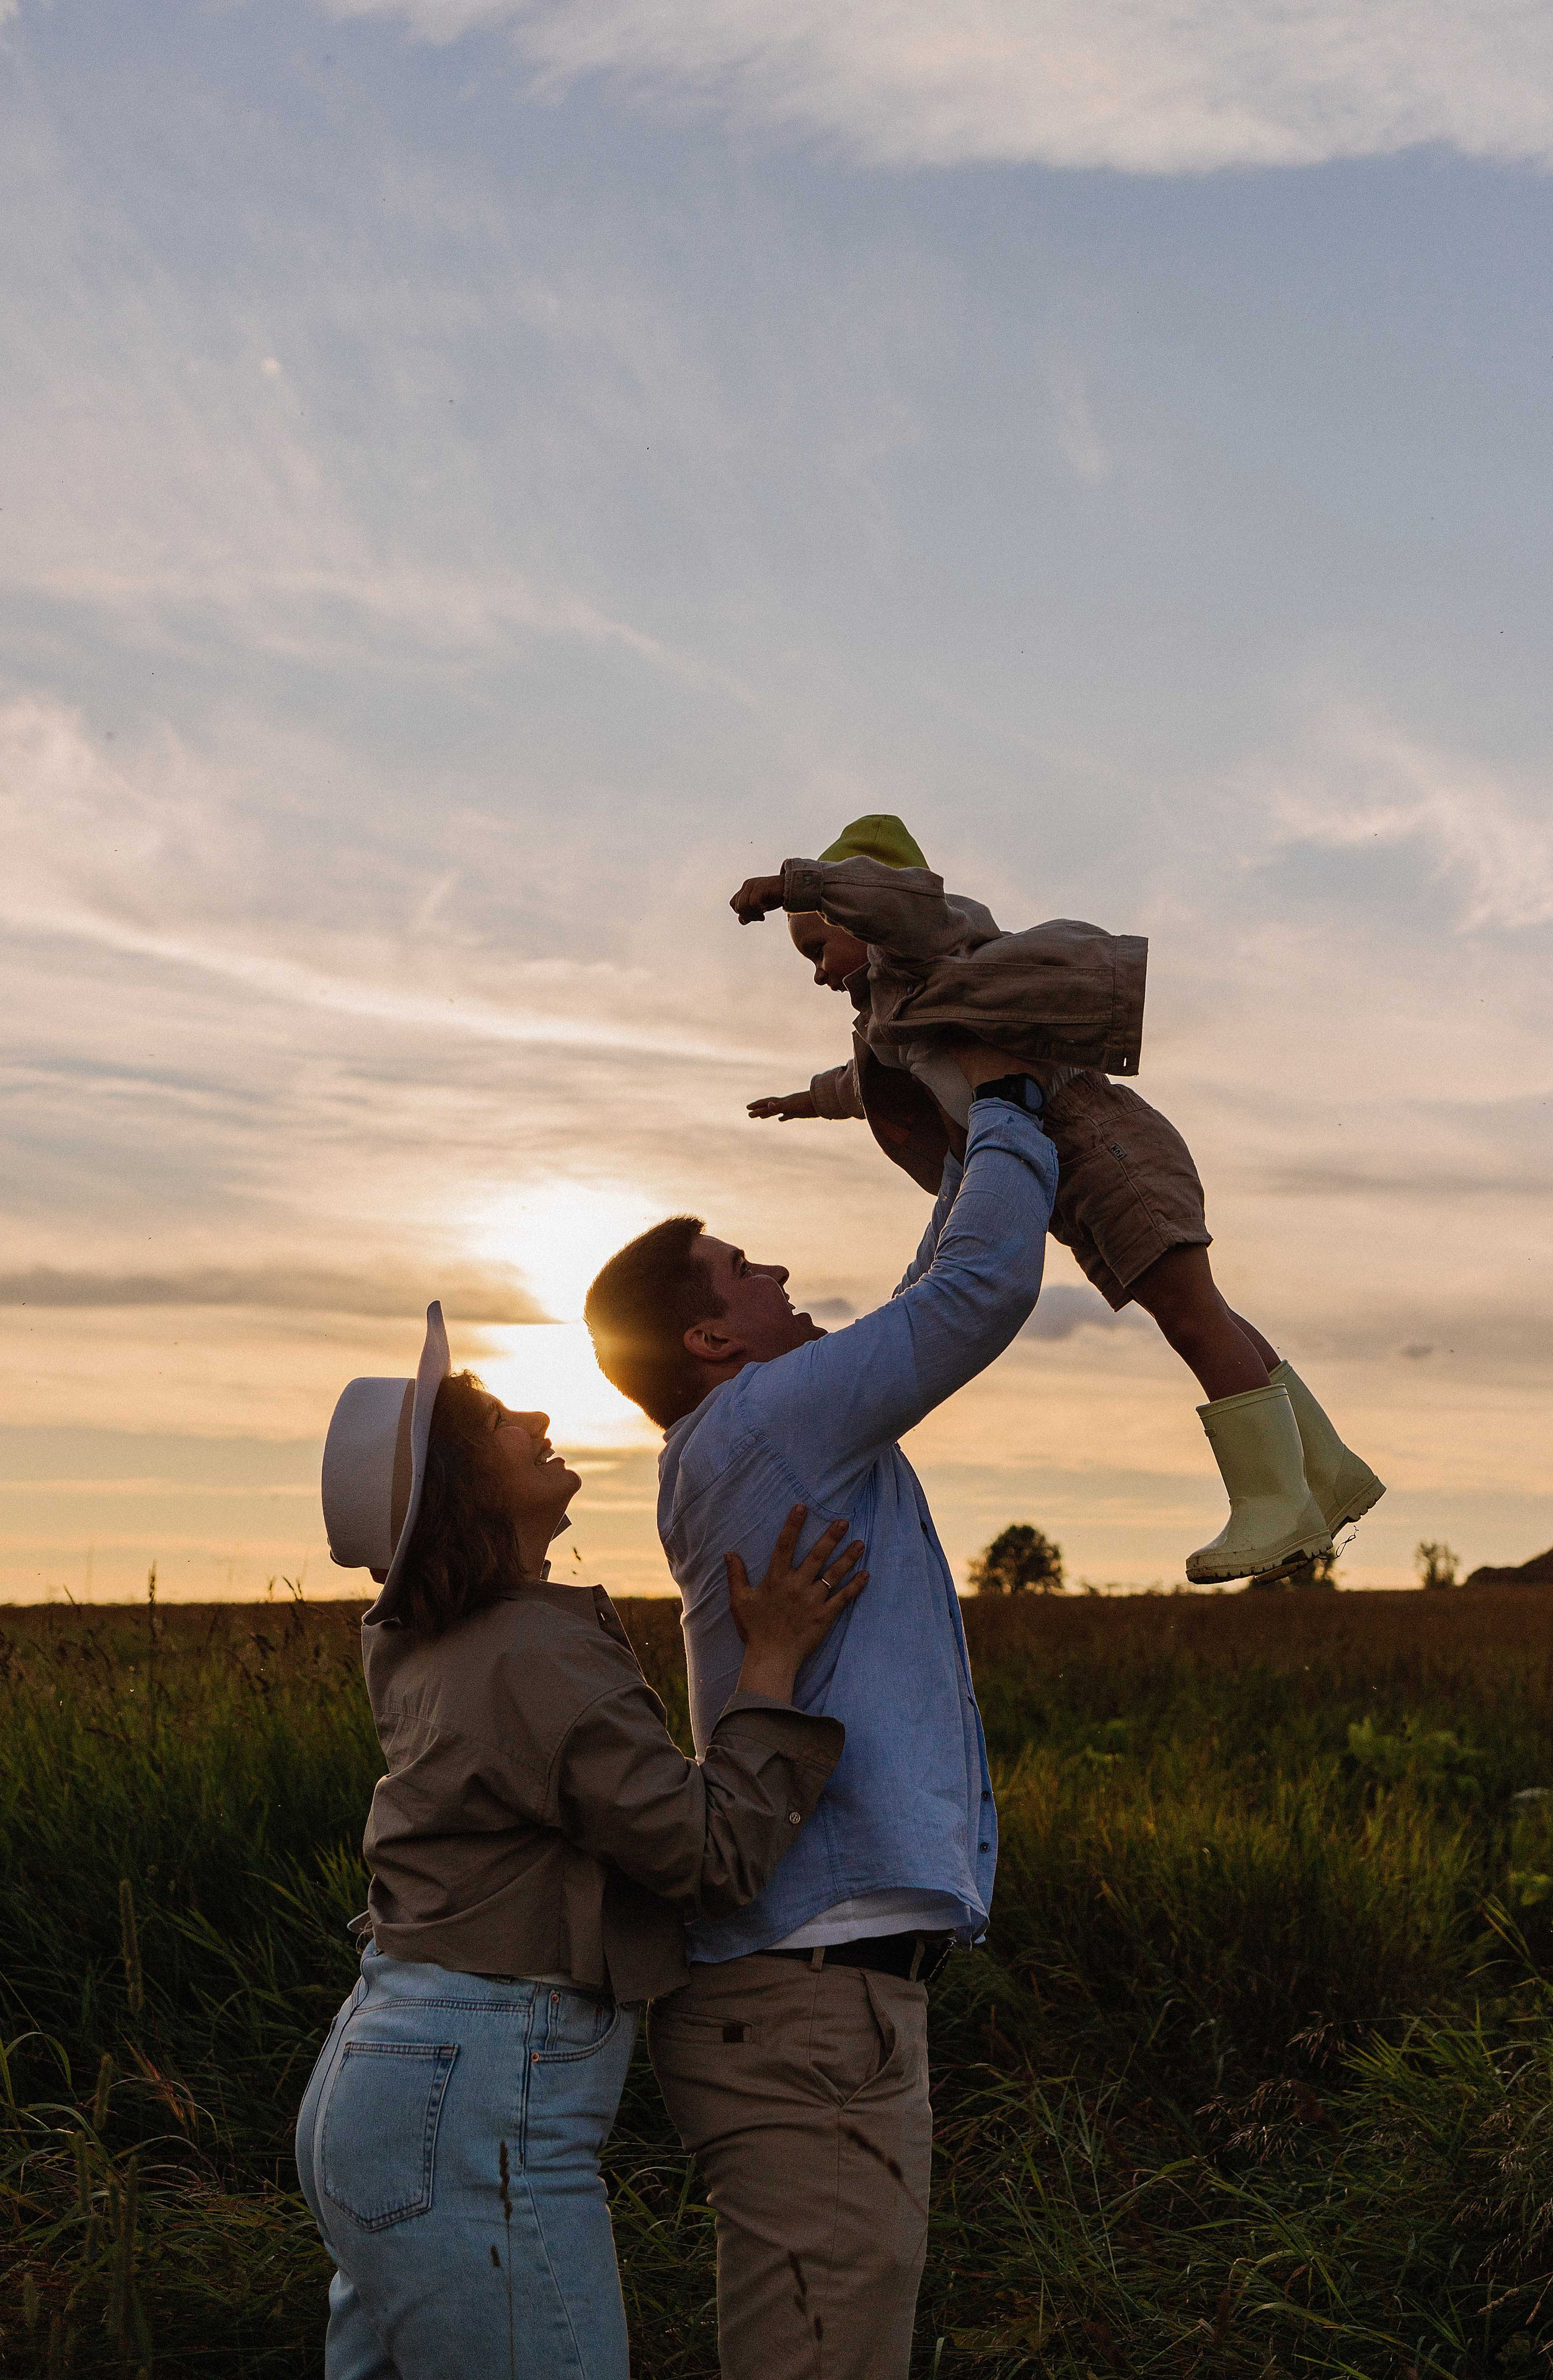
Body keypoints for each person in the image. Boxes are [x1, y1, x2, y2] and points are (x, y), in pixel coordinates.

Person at [583, 1047, 1058, 2380]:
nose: (781, 1277)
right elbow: (976, 1290)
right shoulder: (771, 1424)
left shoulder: (766, 1433)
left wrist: (958, 1129)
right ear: (710, 1341)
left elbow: (926, 1293)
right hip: (806, 1999)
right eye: (746, 1271)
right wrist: (1011, 1103)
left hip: (811, 1996)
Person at [295, 1300, 867, 2380]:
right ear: (466, 1487)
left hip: (387, 2074)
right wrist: (775, 1663)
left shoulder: (424, 1643)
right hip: (471, 2105)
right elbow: (710, 1857)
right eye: (500, 1417)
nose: (539, 1412)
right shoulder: (532, 1657)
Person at [731, 811, 1384, 1585]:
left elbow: (900, 905)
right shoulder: (900, 1011)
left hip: (1102, 1143)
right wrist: (803, 1101)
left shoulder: (930, 941)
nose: (814, 971)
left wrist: (796, 885)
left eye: (817, 946)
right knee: (1203, 1312)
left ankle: (1275, 1503)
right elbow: (870, 1086)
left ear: (856, 910)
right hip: (1072, 1169)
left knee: (1192, 1317)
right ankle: (1325, 1472)